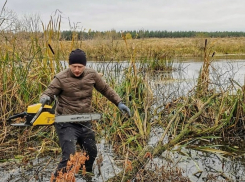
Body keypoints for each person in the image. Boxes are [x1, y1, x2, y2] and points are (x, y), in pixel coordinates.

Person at [39, 49, 131, 176]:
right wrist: (45, 99)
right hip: (65, 123)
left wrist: (119, 102)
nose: (77, 70)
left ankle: (85, 175)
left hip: (84, 121)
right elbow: (48, 93)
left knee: (91, 153)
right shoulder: (60, 78)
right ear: (69, 65)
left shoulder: (92, 75)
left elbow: (105, 89)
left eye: (80, 67)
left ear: (85, 66)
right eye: (74, 66)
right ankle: (57, 179)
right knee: (69, 158)